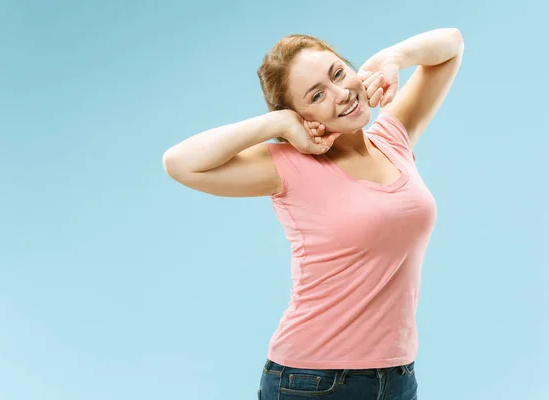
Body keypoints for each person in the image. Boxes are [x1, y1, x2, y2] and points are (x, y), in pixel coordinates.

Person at [162, 27, 464, 400]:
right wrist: (277, 125)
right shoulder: (289, 165)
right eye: (317, 95)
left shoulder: (391, 139)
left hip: (398, 376)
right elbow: (179, 163)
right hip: (313, 381)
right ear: (301, 114)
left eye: (338, 74)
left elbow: (451, 44)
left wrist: (393, 58)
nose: (340, 95)